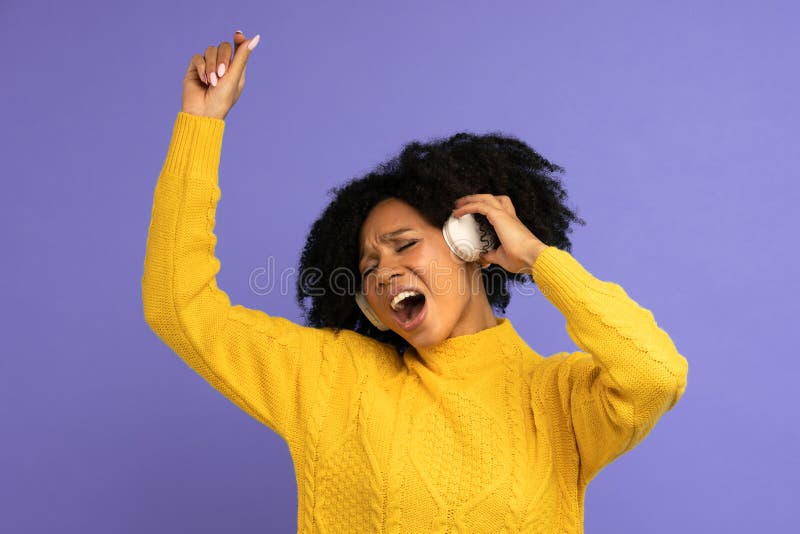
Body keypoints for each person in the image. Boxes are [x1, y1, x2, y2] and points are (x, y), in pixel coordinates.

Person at [142, 30, 689, 533]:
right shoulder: (332, 379)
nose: (385, 272)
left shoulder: (558, 400)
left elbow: (656, 373)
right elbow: (177, 304)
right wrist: (201, 123)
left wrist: (536, 258)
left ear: (470, 243)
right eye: (368, 267)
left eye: (404, 244)